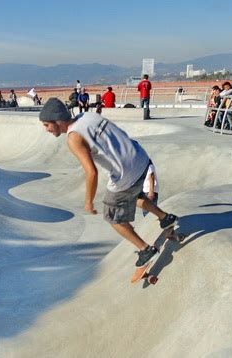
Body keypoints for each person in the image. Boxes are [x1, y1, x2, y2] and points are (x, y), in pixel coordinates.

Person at [39, 98, 178, 267]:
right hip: (140, 157)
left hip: (125, 172)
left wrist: (88, 201)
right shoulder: (88, 116)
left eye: (47, 125)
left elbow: (91, 172)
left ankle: (145, 250)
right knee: (133, 195)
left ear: (58, 121)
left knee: (112, 216)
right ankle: (165, 217)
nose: (45, 129)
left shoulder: (73, 137)